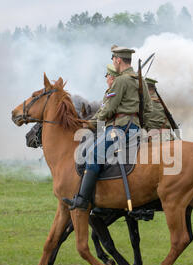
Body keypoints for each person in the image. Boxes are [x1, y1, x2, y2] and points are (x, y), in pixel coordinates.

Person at [63, 45, 152, 211]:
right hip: (136, 129)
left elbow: (108, 109)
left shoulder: (120, 81)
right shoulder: (141, 81)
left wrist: (91, 123)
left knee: (92, 154)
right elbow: (148, 109)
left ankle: (82, 200)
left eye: (113, 59)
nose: (113, 62)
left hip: (119, 129)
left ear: (118, 60)